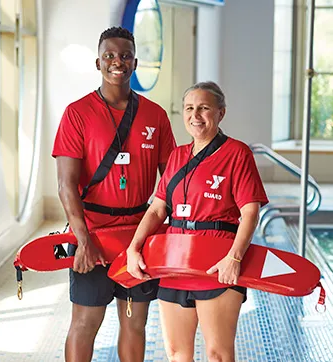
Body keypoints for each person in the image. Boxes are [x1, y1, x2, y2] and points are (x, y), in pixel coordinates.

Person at [52, 27, 176, 362]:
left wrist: (176, 235)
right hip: (92, 230)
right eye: (109, 55)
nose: (116, 62)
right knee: (85, 321)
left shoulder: (156, 116)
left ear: (135, 62)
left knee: (135, 323)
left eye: (124, 56)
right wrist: (82, 240)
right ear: (98, 62)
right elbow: (65, 185)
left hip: (140, 236)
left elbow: (172, 183)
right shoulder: (77, 113)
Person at [127, 81, 269, 362]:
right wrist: (134, 248)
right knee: (177, 352)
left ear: (221, 113)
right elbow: (157, 210)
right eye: (190, 108)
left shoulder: (237, 154)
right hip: (175, 261)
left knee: (218, 354)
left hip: (217, 262)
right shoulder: (177, 156)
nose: (196, 115)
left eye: (204, 108)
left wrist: (235, 258)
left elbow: (250, 212)